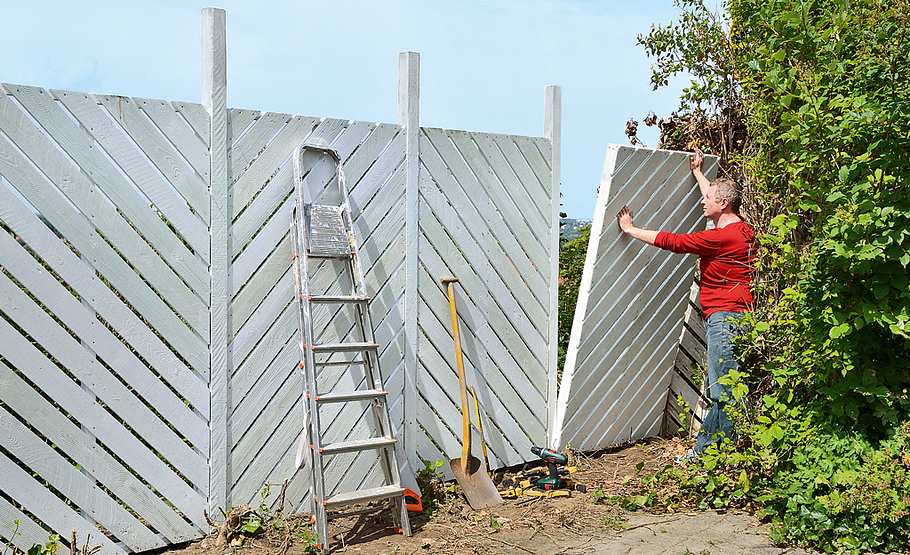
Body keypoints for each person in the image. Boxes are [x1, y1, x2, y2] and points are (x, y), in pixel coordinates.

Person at [615, 148, 754, 461]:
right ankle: (721, 451)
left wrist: (630, 230)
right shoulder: (742, 229)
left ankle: (705, 454)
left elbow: (674, 243)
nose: (703, 201)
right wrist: (698, 174)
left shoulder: (719, 239)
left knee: (722, 391)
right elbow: (717, 196)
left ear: (723, 204)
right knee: (728, 387)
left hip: (724, 319)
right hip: (740, 316)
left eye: (708, 199)